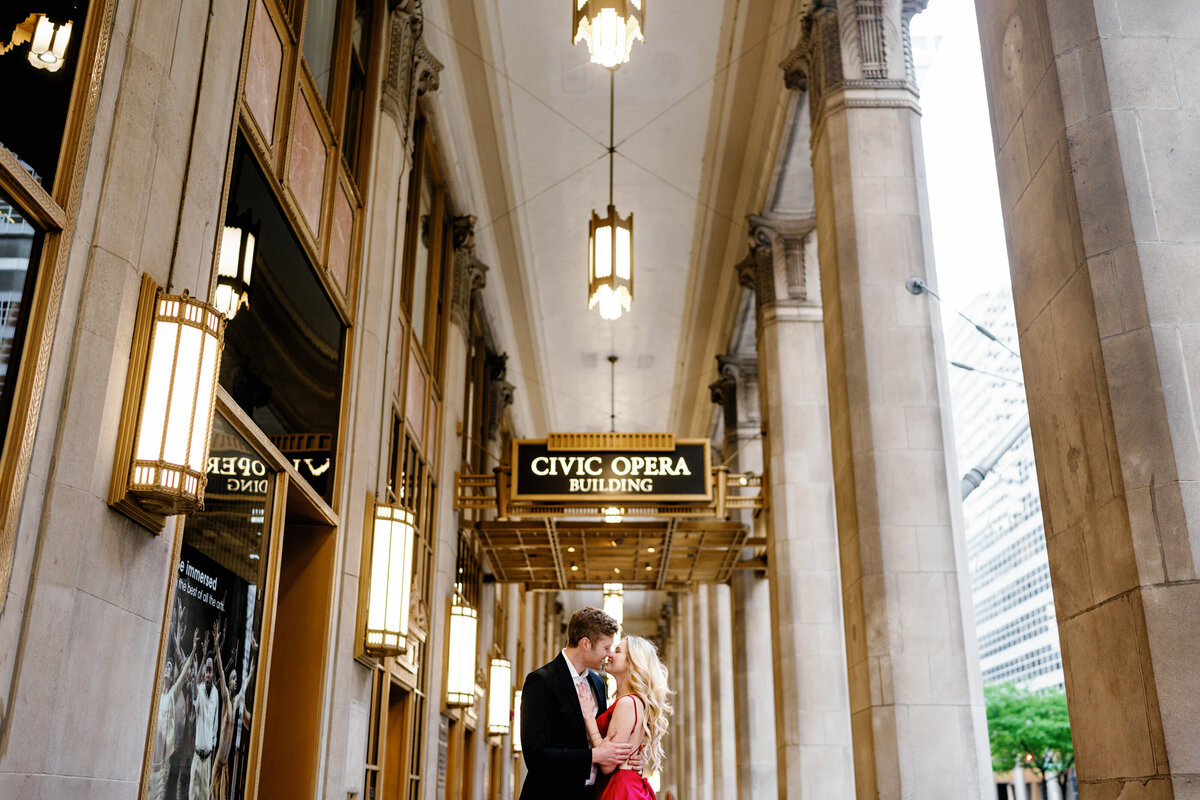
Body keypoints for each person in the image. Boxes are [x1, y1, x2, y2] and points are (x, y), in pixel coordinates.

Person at [519, 607, 635, 800]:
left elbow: (604, 740)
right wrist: (594, 756)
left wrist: (628, 760)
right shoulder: (541, 681)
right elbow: (536, 756)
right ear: (586, 643)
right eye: (606, 647)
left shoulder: (598, 684)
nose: (608, 654)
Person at [589, 635, 672, 800]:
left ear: (631, 663)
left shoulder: (628, 703)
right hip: (623, 784)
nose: (609, 655)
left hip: (620, 789)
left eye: (617, 651)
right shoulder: (629, 701)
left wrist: (589, 721)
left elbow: (607, 764)